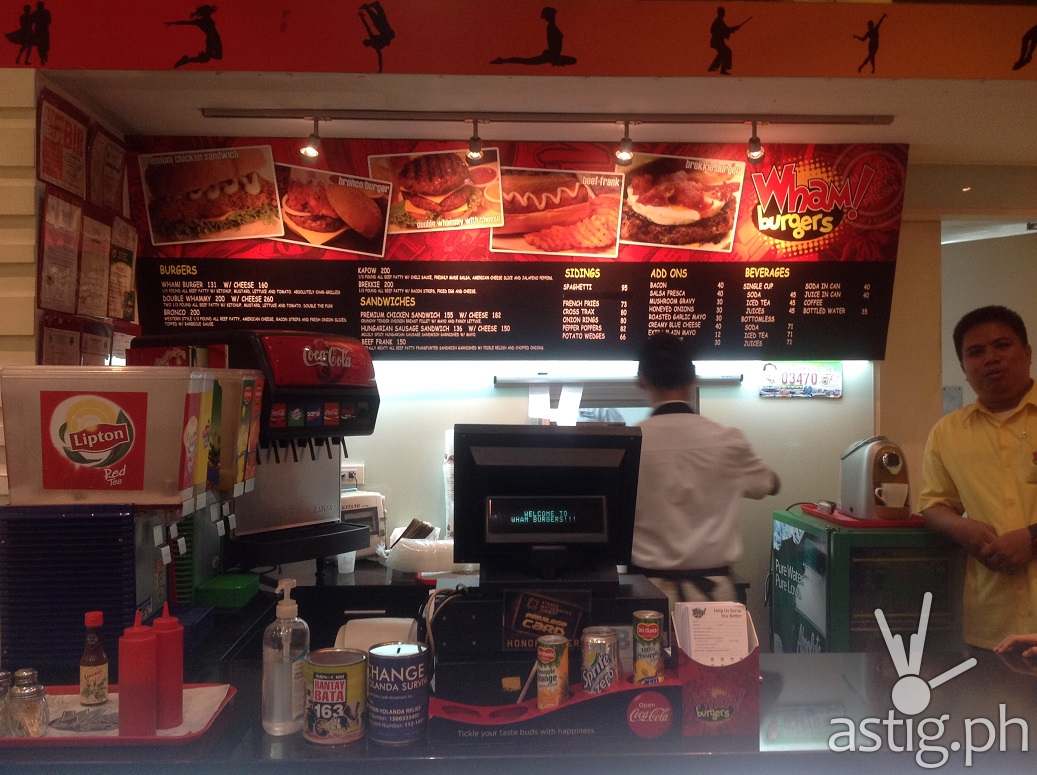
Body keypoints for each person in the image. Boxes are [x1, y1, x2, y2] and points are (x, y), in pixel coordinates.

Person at [629, 333, 780, 608]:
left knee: (649, 640)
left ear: (641, 381)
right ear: (693, 379)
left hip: (648, 598)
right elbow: (769, 484)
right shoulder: (728, 441)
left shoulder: (631, 443)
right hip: (715, 599)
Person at [919, 305, 1036, 651]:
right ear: (964, 367)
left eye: (1002, 345)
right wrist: (960, 527)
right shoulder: (948, 433)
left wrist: (1032, 539)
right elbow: (933, 505)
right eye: (976, 352)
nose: (991, 358)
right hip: (992, 621)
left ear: (1027, 353)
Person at [167, 4, 222, 69]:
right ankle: (188, 60)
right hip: (212, 39)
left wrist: (173, 23)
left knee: (215, 57)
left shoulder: (204, 20)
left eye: (209, 12)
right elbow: (185, 22)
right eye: (208, 12)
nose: (209, 14)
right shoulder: (201, 21)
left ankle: (188, 60)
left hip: (214, 38)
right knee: (212, 57)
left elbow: (185, 22)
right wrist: (173, 23)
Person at [707, 7, 749, 76]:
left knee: (723, 53)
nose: (723, 14)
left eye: (723, 12)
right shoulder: (718, 21)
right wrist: (732, 29)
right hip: (717, 41)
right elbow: (719, 30)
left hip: (718, 41)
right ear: (719, 13)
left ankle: (714, 68)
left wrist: (734, 28)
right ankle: (719, 69)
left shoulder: (720, 21)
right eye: (722, 12)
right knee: (726, 52)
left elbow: (726, 29)